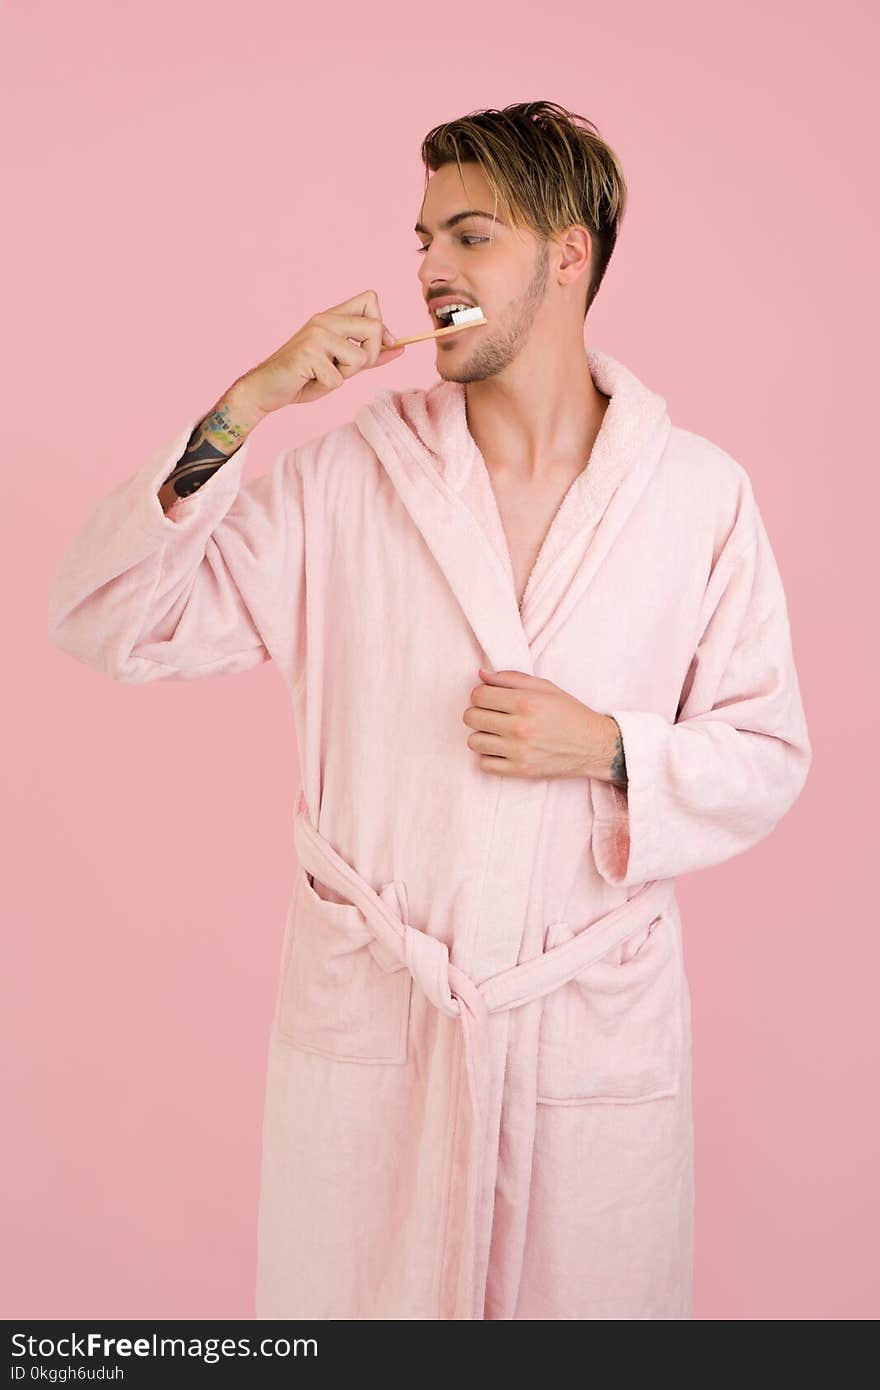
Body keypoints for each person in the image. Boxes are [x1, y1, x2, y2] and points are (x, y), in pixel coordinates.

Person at [48, 100, 812, 1320]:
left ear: (570, 254)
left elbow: (768, 751)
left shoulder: (696, 497)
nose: (429, 269)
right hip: (380, 1039)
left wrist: (608, 747)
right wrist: (249, 403)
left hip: (580, 1044)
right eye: (421, 240)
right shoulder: (349, 477)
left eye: (471, 236)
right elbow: (109, 619)